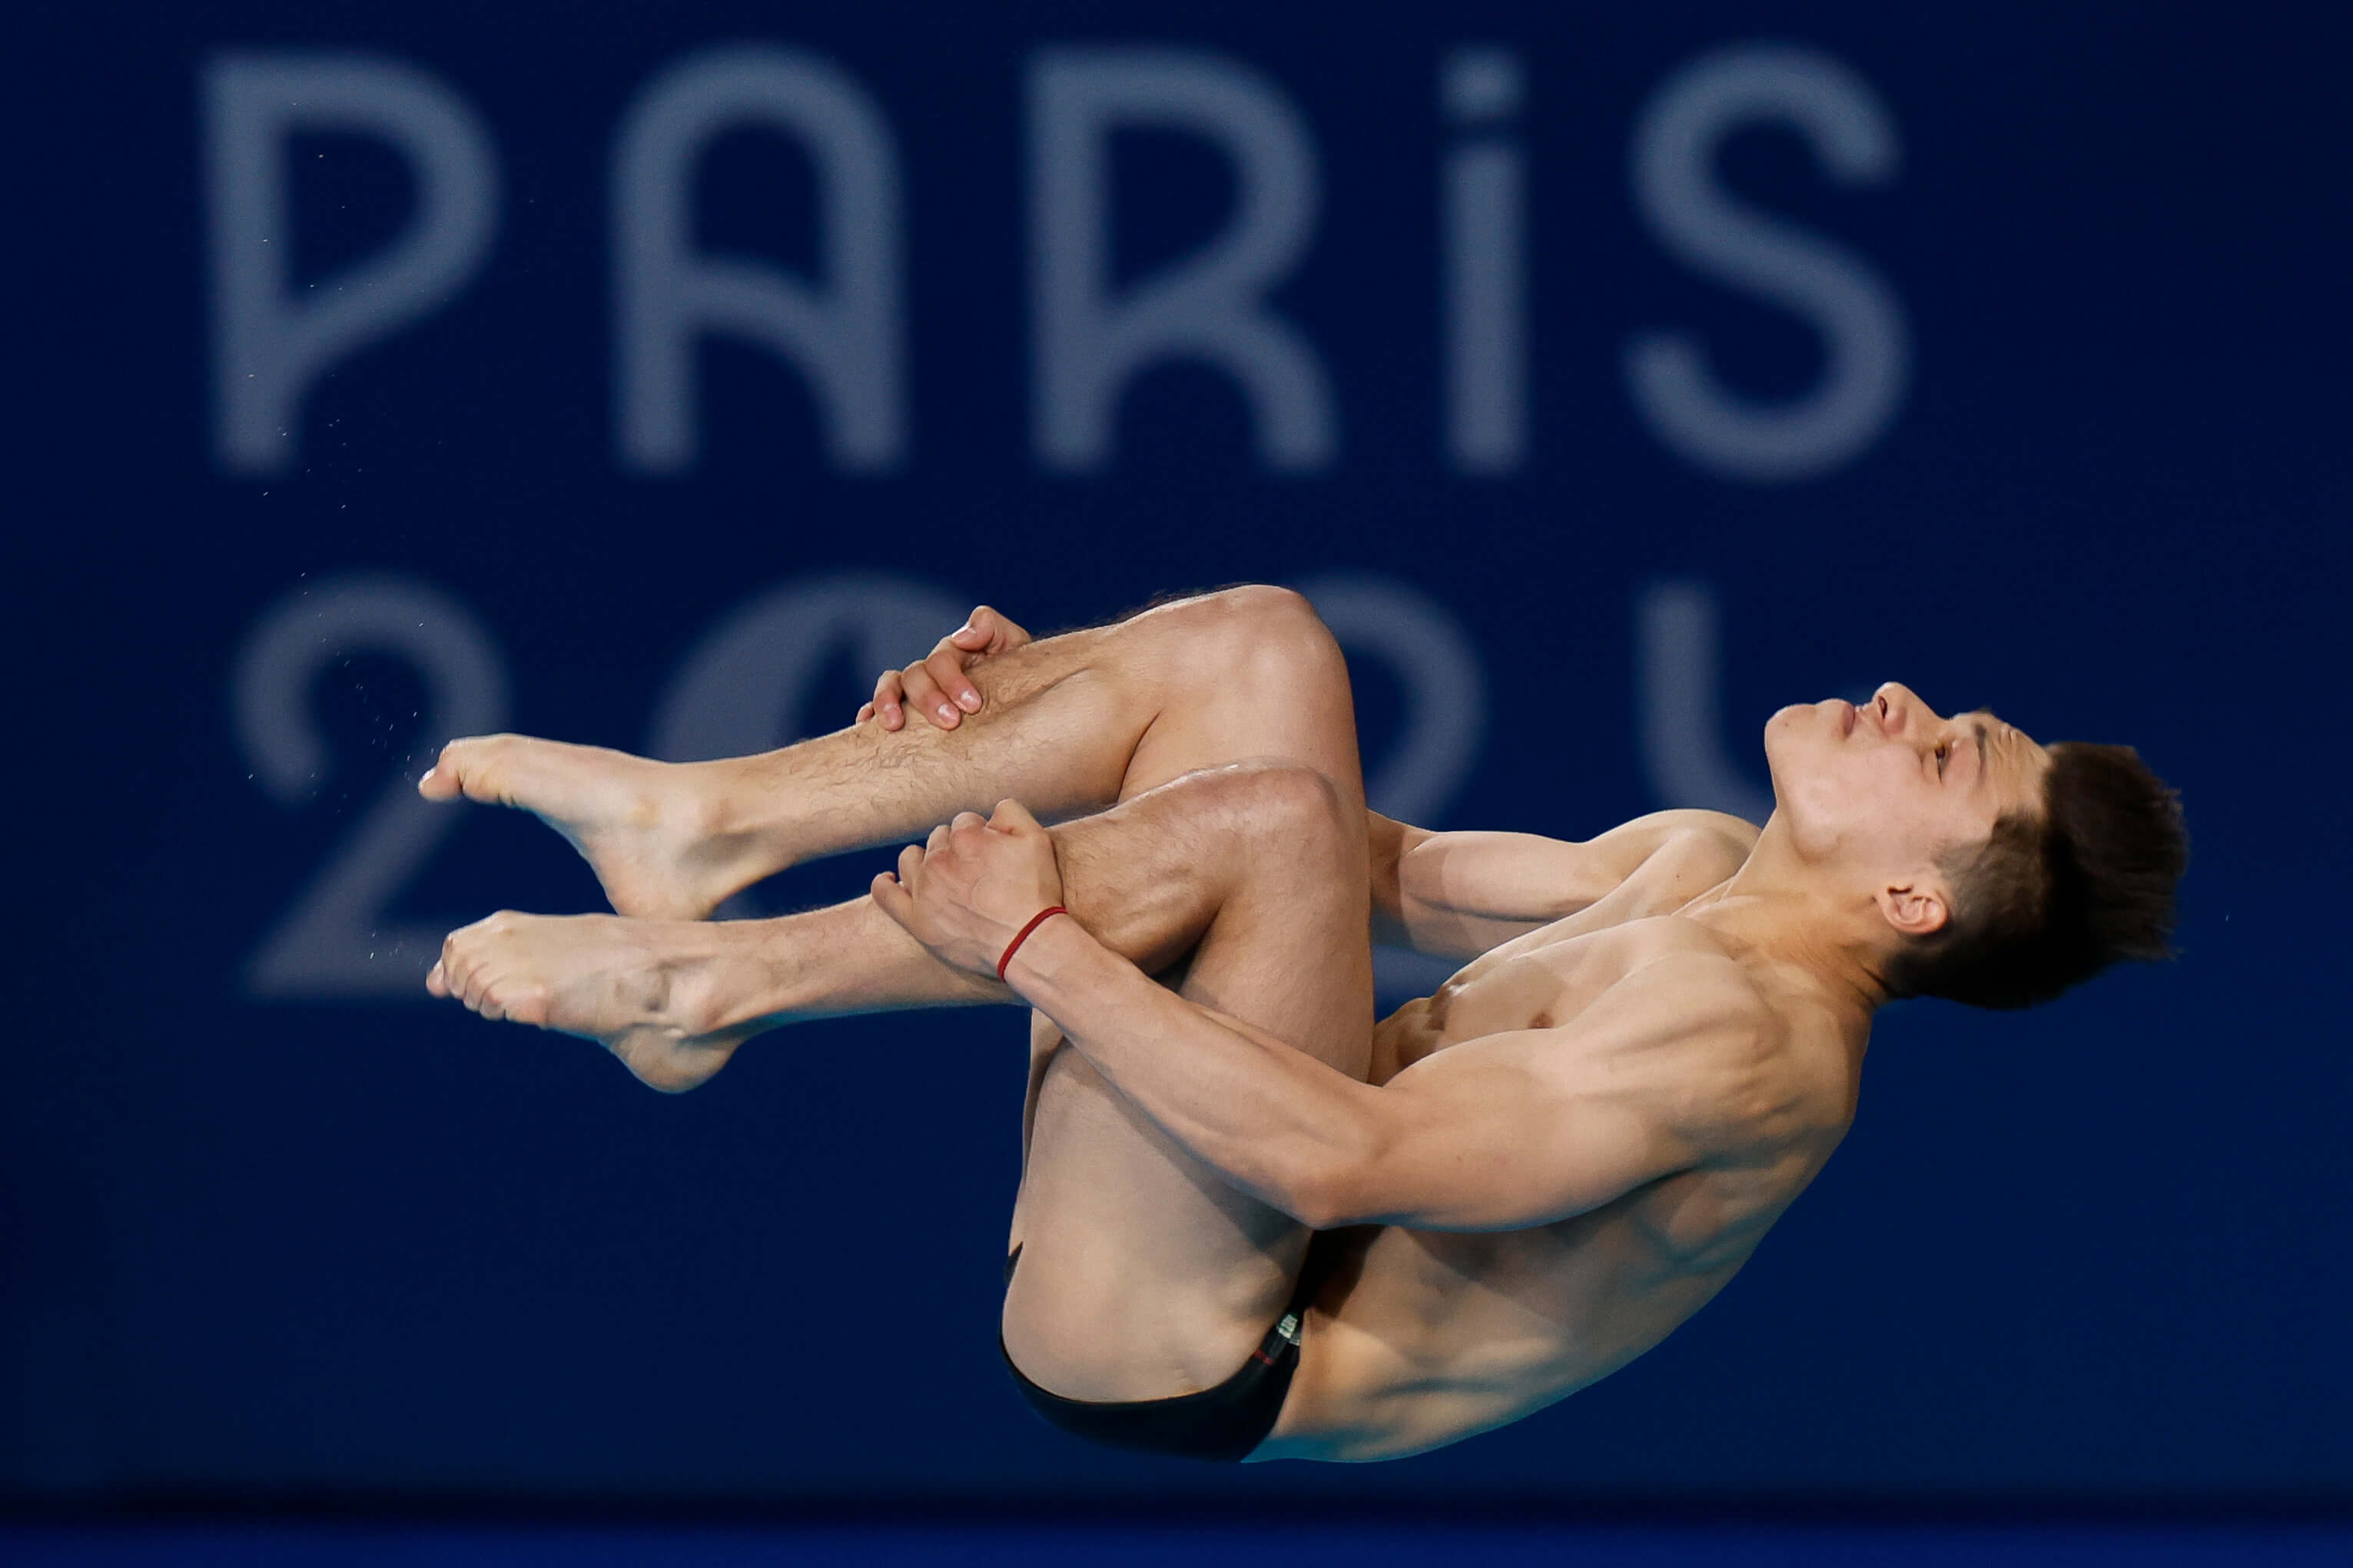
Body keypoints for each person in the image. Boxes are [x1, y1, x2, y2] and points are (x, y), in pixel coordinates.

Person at [417, 586, 2186, 1463]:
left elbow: (1346, 1159)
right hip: (1213, 1174)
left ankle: (708, 982)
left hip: (1199, 1335)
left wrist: (1031, 932)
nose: (1902, 703)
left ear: (1912, 905)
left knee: (1260, 818)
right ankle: (702, 826)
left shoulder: (1753, 1052)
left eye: (1942, 751)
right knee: (1262, 652)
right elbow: (1378, 860)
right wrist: (1055, 716)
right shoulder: (1690, 864)